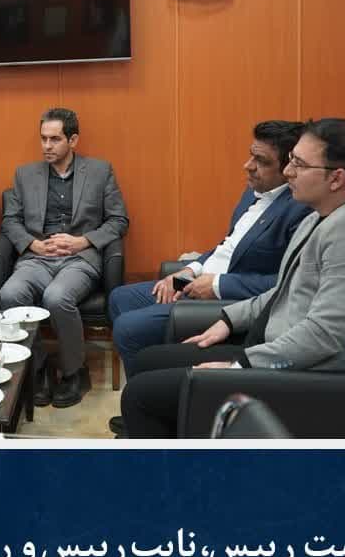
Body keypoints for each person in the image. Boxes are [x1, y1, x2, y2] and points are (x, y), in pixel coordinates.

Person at [117, 118, 345, 438]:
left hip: (309, 378)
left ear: (336, 178)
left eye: (299, 164)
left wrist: (240, 366)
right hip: (274, 349)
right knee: (148, 361)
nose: (288, 171)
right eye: (290, 160)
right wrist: (229, 320)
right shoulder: (320, 218)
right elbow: (284, 291)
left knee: (141, 395)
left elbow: (324, 336)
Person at [107, 121, 310, 386]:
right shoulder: (253, 193)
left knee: (128, 328)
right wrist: (188, 270)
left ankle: (150, 391)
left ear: (288, 168)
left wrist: (216, 285)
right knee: (120, 298)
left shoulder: (298, 210)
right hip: (197, 280)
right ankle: (149, 379)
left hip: (227, 297)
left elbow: (284, 284)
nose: (248, 165)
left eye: (261, 161)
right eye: (251, 155)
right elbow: (226, 247)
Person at [0, 107, 129, 408]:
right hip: (38, 258)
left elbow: (119, 220)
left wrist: (82, 241)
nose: (47, 146)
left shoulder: (99, 171)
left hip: (79, 258)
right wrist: (33, 244)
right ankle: (38, 368)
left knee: (56, 297)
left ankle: (74, 372)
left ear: (73, 140)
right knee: (10, 294)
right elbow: (10, 221)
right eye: (43, 139)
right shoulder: (24, 174)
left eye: (54, 139)